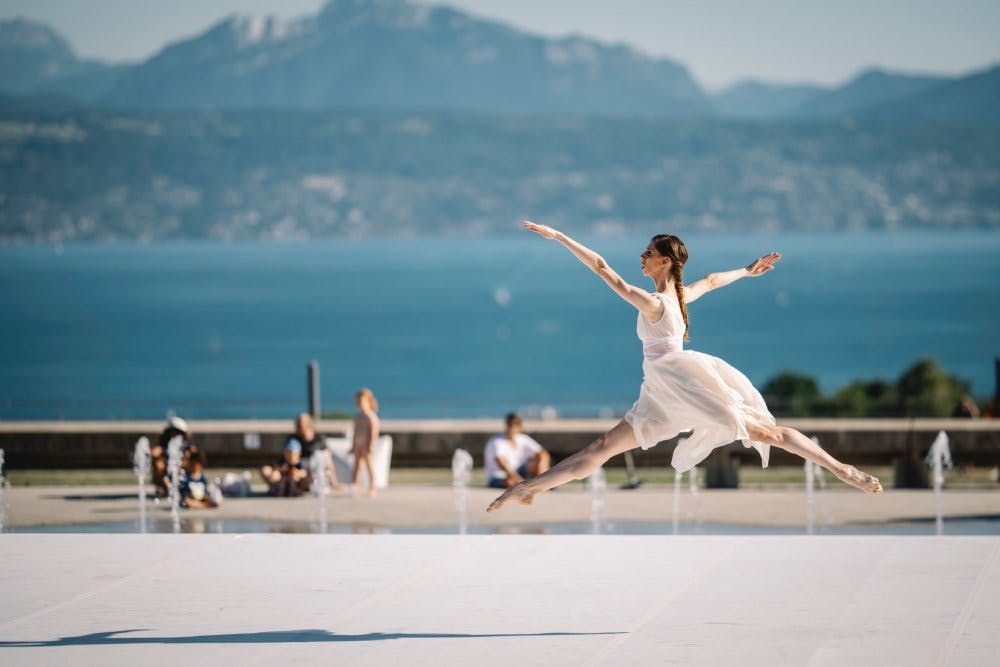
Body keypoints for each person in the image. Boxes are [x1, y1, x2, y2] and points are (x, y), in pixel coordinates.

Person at [488, 222, 882, 512]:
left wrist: (560, 237)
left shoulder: (657, 302)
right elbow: (711, 281)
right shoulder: (677, 296)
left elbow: (603, 268)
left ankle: (841, 469)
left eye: (647, 252)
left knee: (765, 431)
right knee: (603, 447)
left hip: (679, 381)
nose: (641, 256)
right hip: (660, 390)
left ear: (662, 261)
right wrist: (747, 270)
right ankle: (532, 487)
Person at [484, 413, 551, 489]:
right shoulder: (496, 441)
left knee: (540, 458)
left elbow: (543, 453)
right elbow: (501, 463)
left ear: (520, 427)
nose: (512, 427)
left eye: (515, 424)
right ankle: (533, 485)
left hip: (520, 472)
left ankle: (542, 482)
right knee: (510, 482)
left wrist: (542, 471)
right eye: (510, 424)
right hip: (499, 476)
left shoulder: (522, 438)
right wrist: (518, 479)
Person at [286, 413, 343, 490]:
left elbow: (329, 463)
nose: (298, 428)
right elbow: (290, 460)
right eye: (297, 425)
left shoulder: (319, 440)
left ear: (309, 426)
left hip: (315, 473)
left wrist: (334, 483)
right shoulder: (294, 440)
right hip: (298, 473)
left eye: (300, 425)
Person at [151, 416, 193, 497]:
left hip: (181, 472)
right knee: (158, 463)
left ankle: (184, 487)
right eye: (173, 431)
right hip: (166, 473)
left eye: (178, 432)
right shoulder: (163, 445)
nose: (175, 434)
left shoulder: (186, 445)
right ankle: (166, 486)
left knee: (190, 462)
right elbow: (155, 452)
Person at [351, 388, 380, 498]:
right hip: (358, 445)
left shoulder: (371, 416)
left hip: (367, 446)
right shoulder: (357, 417)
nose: (359, 404)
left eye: (361, 402)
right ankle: (354, 485)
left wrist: (370, 445)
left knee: (369, 466)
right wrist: (353, 445)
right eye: (358, 402)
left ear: (368, 402)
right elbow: (354, 432)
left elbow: (374, 432)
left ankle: (372, 487)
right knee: (357, 466)